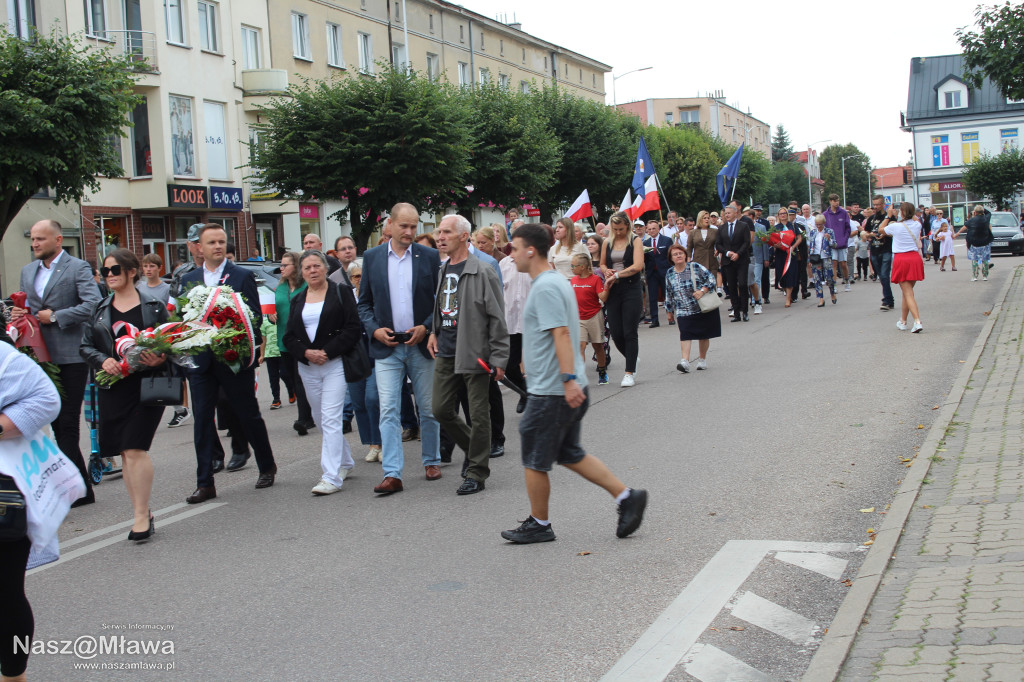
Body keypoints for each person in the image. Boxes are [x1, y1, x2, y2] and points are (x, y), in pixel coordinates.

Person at [500, 222, 648, 544]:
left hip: (553, 390)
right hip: (557, 386)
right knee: (569, 453)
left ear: (530, 250)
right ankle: (627, 497)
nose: (510, 255)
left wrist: (567, 381)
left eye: (514, 248)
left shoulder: (547, 286)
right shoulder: (550, 281)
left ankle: (540, 523)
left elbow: (562, 333)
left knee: (534, 457)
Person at [180, 224, 278, 503]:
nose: (218, 246)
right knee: (202, 420)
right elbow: (183, 317)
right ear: (199, 246)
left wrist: (232, 335)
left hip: (232, 357)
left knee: (248, 414)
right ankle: (205, 482)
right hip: (201, 360)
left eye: (222, 241)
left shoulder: (241, 275)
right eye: (211, 242)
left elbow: (254, 316)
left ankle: (266, 465)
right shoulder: (191, 278)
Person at [11, 219, 102, 506]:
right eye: (33, 239)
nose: (35, 243)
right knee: (50, 422)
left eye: (40, 239)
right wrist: (17, 313)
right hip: (39, 356)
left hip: (71, 355)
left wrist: (58, 316)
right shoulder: (28, 270)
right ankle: (79, 487)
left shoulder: (77, 268)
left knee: (66, 422)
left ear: (58, 239)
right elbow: (28, 309)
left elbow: (93, 304)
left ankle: (74, 488)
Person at [80, 249, 168, 540]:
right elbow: (86, 346)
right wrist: (101, 360)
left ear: (132, 271)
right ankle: (141, 510)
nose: (109, 276)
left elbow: (172, 342)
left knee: (134, 447)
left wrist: (161, 357)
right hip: (113, 385)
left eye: (115, 270)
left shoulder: (154, 305)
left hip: (146, 384)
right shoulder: (100, 307)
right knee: (125, 453)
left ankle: (142, 515)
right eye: (105, 271)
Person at [358, 202, 442, 495]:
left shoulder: (429, 256)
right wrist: (374, 330)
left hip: (420, 344)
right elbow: (364, 304)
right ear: (389, 225)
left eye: (414, 226)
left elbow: (441, 302)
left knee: (429, 408)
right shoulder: (372, 258)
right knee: (389, 409)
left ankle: (432, 459)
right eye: (404, 226)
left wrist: (427, 327)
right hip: (388, 347)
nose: (409, 231)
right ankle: (392, 473)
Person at [428, 215, 509, 496]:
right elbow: (441, 307)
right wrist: (433, 331)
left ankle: (476, 471)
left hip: (474, 352)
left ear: (463, 236)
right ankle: (476, 451)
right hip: (446, 351)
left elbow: (497, 318)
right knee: (440, 409)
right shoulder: (442, 269)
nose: (440, 237)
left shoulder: (482, 270)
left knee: (478, 413)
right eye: (439, 232)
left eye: (446, 232)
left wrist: (499, 358)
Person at [0, 336, 62, 681]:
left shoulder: (3, 359)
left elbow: (45, 399)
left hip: (3, 489)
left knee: (5, 593)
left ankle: (13, 675)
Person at [284, 250, 363, 495]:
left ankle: (330, 477)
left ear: (326, 268)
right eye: (307, 268)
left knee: (330, 418)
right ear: (302, 272)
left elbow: (353, 328)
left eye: (317, 266)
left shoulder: (341, 292)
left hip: (335, 364)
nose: (312, 271)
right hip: (308, 366)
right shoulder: (298, 298)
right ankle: (345, 461)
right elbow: (289, 336)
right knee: (319, 419)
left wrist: (326, 352)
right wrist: (306, 353)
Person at [599, 211, 645, 387]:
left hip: (631, 288)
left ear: (627, 226)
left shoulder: (635, 241)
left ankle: (629, 372)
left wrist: (618, 274)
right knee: (616, 333)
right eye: (615, 229)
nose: (618, 232)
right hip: (613, 289)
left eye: (621, 229)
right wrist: (606, 271)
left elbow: (637, 266)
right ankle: (632, 358)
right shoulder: (606, 242)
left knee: (629, 331)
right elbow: (602, 263)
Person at [167, 223, 206, 428]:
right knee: (199, 394)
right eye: (196, 243)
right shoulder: (182, 273)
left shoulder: (220, 269)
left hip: (218, 336)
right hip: (191, 338)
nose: (200, 247)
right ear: (189, 245)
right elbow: (171, 307)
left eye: (203, 242)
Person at [274, 252, 315, 435]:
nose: (281, 269)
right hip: (284, 339)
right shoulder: (280, 287)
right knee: (290, 377)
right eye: (281, 265)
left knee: (300, 380)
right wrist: (270, 315)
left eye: (285, 265)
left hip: (302, 340)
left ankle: (304, 419)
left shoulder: (305, 286)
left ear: (296, 267)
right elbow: (275, 309)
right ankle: (309, 415)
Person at [665, 244, 720, 372]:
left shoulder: (695, 266)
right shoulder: (669, 273)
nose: (678, 256)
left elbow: (711, 279)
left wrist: (702, 290)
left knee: (703, 335)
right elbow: (669, 292)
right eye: (675, 254)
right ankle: (685, 361)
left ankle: (702, 359)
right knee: (685, 334)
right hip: (683, 309)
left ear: (685, 255)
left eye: (680, 253)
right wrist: (669, 310)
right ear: (671, 258)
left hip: (701, 306)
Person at [879, 202, 925, 332]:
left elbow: (880, 229)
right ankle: (903, 321)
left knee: (908, 293)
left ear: (902, 213)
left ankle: (917, 321)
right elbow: (914, 219)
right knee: (907, 292)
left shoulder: (896, 226)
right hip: (914, 258)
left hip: (902, 259)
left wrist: (888, 216)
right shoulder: (917, 225)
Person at [500, 227, 531, 414]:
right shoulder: (504, 264)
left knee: (535, 364)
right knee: (510, 366)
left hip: (531, 322)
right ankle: (524, 391)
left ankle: (538, 400)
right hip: (510, 321)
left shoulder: (534, 263)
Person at [569, 253, 609, 385]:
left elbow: (602, 298)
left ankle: (602, 372)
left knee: (598, 346)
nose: (571, 268)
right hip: (579, 318)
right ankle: (580, 375)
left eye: (573, 265)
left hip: (594, 316)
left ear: (582, 267)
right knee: (580, 346)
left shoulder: (595, 279)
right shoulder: (573, 280)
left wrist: (608, 285)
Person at [716, 205, 752, 322]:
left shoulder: (743, 226)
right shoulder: (722, 228)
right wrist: (727, 253)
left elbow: (746, 242)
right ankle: (736, 312)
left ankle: (745, 311)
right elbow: (719, 244)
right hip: (728, 261)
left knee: (742, 284)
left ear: (735, 213)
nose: (727, 215)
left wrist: (738, 253)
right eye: (725, 213)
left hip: (741, 260)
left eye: (729, 213)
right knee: (731, 286)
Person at [865, 196, 895, 310]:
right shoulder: (871, 218)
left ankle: (886, 300)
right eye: (874, 205)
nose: (875, 207)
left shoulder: (889, 217)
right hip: (874, 249)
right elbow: (866, 232)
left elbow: (893, 230)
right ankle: (889, 299)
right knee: (882, 277)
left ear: (883, 205)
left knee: (884, 275)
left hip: (886, 249)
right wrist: (870, 235)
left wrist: (885, 234)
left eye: (878, 204)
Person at [643, 221, 672, 328]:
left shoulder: (667, 240)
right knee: (652, 297)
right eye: (649, 229)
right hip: (652, 273)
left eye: (653, 228)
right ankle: (655, 320)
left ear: (658, 229)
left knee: (667, 295)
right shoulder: (645, 243)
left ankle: (671, 316)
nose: (651, 231)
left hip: (664, 271)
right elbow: (644, 259)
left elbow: (670, 256)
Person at [687, 211, 722, 296]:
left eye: (708, 218)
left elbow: (719, 243)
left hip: (711, 260)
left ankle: (713, 306)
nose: (707, 220)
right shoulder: (693, 232)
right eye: (704, 218)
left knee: (711, 284)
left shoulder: (714, 231)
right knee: (700, 285)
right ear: (700, 219)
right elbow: (689, 247)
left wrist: (718, 250)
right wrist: (688, 261)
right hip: (698, 260)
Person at [807, 215, 839, 306]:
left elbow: (835, 245)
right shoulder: (813, 232)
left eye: (820, 224)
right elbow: (811, 246)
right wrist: (810, 258)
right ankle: (821, 298)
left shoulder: (829, 231)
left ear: (824, 223)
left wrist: (829, 239)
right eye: (817, 224)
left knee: (829, 277)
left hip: (826, 257)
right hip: (815, 258)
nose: (818, 226)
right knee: (817, 278)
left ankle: (832, 293)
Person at [823, 194, 853, 290]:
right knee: (834, 264)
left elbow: (848, 228)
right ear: (830, 201)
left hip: (842, 243)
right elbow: (824, 229)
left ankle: (847, 280)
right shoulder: (825, 214)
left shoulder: (843, 213)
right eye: (835, 201)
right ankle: (834, 284)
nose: (837, 202)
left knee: (843, 264)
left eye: (838, 200)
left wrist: (845, 239)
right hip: (831, 244)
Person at [775, 209, 803, 307]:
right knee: (782, 275)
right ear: (778, 215)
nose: (783, 215)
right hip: (780, 254)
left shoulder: (793, 225)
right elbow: (773, 241)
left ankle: (788, 298)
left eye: (784, 213)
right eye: (780, 213)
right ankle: (788, 294)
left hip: (791, 254)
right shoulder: (776, 227)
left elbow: (799, 238)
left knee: (791, 274)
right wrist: (776, 245)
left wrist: (793, 247)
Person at [959, 205, 995, 281]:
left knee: (974, 259)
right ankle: (985, 276)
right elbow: (988, 212)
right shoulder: (986, 218)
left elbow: (966, 225)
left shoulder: (972, 220)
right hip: (985, 242)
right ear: (982, 212)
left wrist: (957, 233)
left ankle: (975, 276)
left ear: (975, 212)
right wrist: (981, 209)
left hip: (975, 242)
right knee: (985, 259)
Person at [749, 209, 769, 315]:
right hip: (747, 258)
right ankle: (753, 298)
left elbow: (765, 244)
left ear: (752, 216)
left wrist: (766, 258)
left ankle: (756, 300)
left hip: (758, 257)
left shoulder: (761, 227)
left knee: (756, 280)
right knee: (749, 280)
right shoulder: (743, 227)